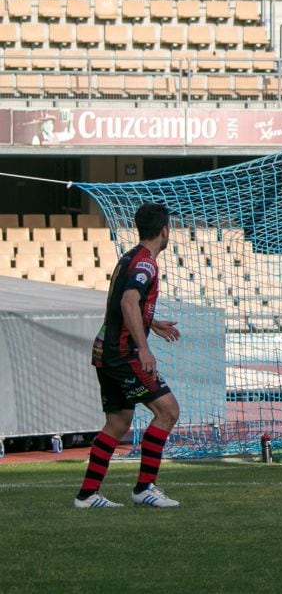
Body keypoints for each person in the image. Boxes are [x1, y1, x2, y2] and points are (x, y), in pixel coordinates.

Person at [74, 203, 182, 509]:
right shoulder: (146, 264)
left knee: (118, 423)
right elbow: (128, 302)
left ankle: (86, 495)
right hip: (123, 354)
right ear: (164, 231)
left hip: (104, 350)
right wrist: (144, 347)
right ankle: (144, 487)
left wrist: (153, 323)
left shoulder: (130, 257)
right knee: (168, 411)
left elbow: (126, 304)